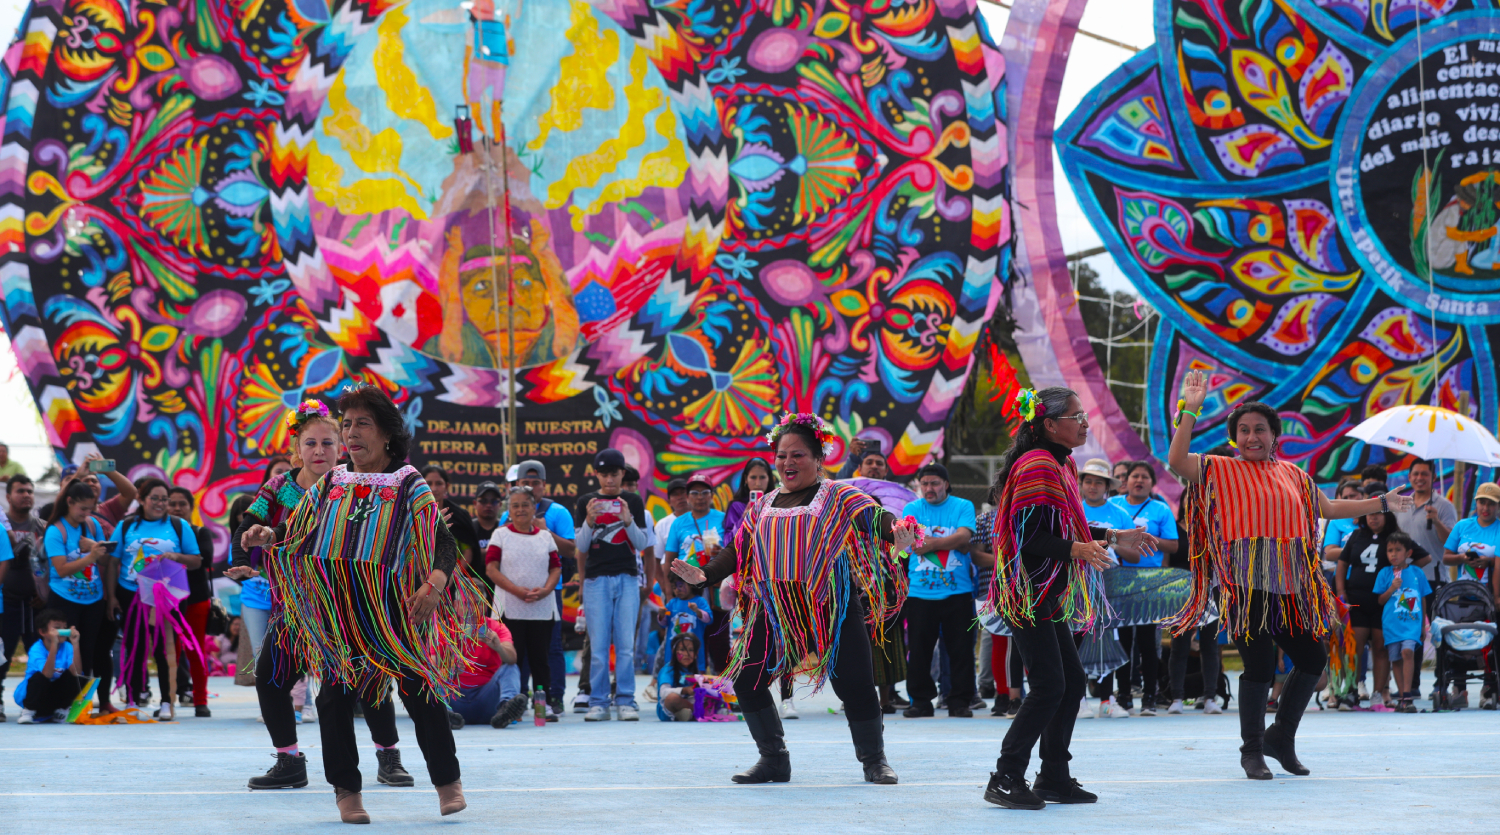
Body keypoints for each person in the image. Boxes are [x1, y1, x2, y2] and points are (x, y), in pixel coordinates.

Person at [240, 385, 484, 823]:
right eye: (347, 424)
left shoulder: (408, 481)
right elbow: (299, 534)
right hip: (337, 606)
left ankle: (448, 783)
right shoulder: (333, 480)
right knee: (333, 698)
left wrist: (432, 585)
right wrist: (268, 536)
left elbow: (443, 543)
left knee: (420, 692)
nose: (351, 433)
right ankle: (347, 794)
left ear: (387, 433)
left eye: (361, 424)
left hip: (393, 605)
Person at [1166, 371, 1413, 781]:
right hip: (1245, 586)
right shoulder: (1218, 469)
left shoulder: (1295, 475)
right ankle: (1253, 752)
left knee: (1313, 659)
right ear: (1234, 438)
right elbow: (1176, 461)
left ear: (1274, 435)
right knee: (1260, 668)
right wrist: (1190, 409)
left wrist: (1383, 501)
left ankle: (1281, 737)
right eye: (1243, 431)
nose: (1251, 437)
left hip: (1291, 585)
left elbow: (1329, 509)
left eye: (1259, 430)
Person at [672, 413, 914, 785]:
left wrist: (897, 531)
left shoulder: (838, 494)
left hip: (830, 608)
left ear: (819, 459)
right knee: (746, 678)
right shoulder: (761, 505)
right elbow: (738, 549)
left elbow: (876, 518)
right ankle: (773, 759)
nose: (788, 462)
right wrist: (705, 575)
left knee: (856, 684)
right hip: (775, 611)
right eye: (782, 455)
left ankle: (874, 761)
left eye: (798, 455)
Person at [983, 387, 1157, 809]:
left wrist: (1115, 536)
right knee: (1048, 685)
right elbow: (1030, 538)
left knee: (1071, 680)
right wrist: (1078, 550)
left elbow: (1068, 524)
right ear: (1049, 425)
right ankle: (1006, 777)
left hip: (1042, 590)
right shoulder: (1038, 464)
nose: (1084, 423)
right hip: (1025, 590)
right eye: (1076, 416)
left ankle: (1054, 777)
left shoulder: (1060, 463)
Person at [229, 402, 414, 791]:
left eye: (327, 442)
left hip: (350, 606)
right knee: (271, 676)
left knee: (370, 681)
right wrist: (245, 558)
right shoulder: (279, 486)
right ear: (297, 447)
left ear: (341, 445)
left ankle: (388, 756)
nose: (319, 451)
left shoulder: (353, 483)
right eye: (310, 443)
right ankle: (289, 760)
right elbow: (248, 523)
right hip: (295, 607)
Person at [574, 448, 649, 722]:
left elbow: (641, 544)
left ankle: (626, 700)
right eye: (604, 474)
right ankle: (598, 702)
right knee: (599, 644)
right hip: (596, 581)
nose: (609, 479)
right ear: (596, 474)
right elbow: (580, 547)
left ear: (622, 474)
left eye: (614, 473)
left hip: (628, 578)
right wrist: (589, 521)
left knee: (626, 645)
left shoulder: (633, 500)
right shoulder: (585, 502)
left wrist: (627, 520)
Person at [901, 463, 980, 718]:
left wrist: (931, 543)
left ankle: (959, 701)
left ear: (946, 484)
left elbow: (963, 537)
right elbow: (910, 542)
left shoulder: (962, 506)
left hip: (958, 591)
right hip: (920, 593)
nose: (929, 488)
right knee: (919, 650)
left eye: (934, 483)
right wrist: (945, 542)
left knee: (961, 650)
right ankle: (920, 702)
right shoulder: (912, 508)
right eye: (924, 483)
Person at [1334, 498, 1429, 710]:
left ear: (1387, 515)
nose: (1374, 517)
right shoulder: (1357, 536)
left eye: (1378, 513)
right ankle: (1350, 691)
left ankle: (1378, 693)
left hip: (1385, 604)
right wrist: (1341, 593)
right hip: (1357, 600)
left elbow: (1425, 558)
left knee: (1380, 647)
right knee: (1353, 646)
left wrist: (1407, 571)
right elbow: (1342, 563)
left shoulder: (1394, 538)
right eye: (1370, 513)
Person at [1106, 461, 1178, 716]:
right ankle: (1123, 695)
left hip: (1149, 580)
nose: (1139, 480)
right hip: (1119, 578)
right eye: (1134, 476)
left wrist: (1147, 538)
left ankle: (1149, 695)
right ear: (1125, 481)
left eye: (1145, 477)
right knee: (1123, 640)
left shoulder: (1160, 509)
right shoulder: (1114, 505)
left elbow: (1174, 546)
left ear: (1152, 482)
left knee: (1148, 642)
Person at [485, 486, 561, 721]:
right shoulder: (500, 535)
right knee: (509, 658)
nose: (520, 510)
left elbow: (556, 567)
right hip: (509, 607)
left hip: (541, 608)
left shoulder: (546, 537)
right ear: (509, 509)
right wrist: (516, 590)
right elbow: (490, 569)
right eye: (515, 505)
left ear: (534, 508)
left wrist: (547, 590)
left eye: (525, 505)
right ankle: (509, 703)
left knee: (540, 658)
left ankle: (543, 703)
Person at [42, 481, 115, 715]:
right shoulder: (56, 530)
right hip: (64, 601)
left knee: (89, 651)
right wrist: (92, 554)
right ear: (69, 502)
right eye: (82, 509)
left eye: (90, 509)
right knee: (64, 650)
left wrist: (96, 548)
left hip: (92, 600)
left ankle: (84, 702)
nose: (86, 514)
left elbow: (104, 561)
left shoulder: (92, 525)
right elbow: (61, 569)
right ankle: (61, 701)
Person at [509, 459, 576, 715]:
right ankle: (519, 698)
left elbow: (571, 549)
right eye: (525, 482)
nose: (530, 487)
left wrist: (547, 533)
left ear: (544, 485)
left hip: (550, 589)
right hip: (517, 592)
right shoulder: (510, 512)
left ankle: (554, 697)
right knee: (519, 647)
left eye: (535, 483)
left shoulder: (558, 512)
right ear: (518, 484)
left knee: (552, 646)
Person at [1076, 458, 1136, 719]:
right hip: (1077, 584)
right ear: (1080, 485)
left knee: (1107, 639)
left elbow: (1134, 555)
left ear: (1107, 487)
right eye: (1088, 481)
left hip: (1108, 585)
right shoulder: (1073, 510)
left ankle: (1106, 700)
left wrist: (1111, 544)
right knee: (1076, 638)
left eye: (1098, 482)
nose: (1092, 486)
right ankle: (1077, 700)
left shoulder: (1119, 514)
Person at [166, 486, 215, 716]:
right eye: (172, 503)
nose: (177, 508)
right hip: (167, 602)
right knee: (168, 653)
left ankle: (200, 701)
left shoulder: (200, 532)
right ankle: (169, 702)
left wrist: (175, 558)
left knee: (196, 652)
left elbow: (205, 559)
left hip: (196, 601)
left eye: (182, 504)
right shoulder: (160, 535)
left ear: (191, 507)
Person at [1, 475, 46, 717]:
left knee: (39, 655)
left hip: (35, 604)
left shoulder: (42, 526)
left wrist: (45, 594)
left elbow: (51, 564)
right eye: (21, 491)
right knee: (2, 654)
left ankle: (37, 701)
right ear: (8, 497)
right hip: (5, 602)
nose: (27, 494)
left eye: (30, 491)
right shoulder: (0, 526)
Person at [1374, 533, 1431, 714]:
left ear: (1408, 552)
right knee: (1396, 659)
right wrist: (1392, 588)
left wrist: (1423, 625)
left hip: (1412, 625)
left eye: (1398, 550)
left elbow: (1422, 599)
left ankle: (1407, 694)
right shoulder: (1384, 573)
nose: (1393, 554)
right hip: (1392, 625)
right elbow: (1380, 600)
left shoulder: (1417, 573)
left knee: (1408, 652)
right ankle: (1402, 698)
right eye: (1390, 550)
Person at [447, 616, 528, 729]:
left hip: (487, 697)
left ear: (484, 605)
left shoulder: (497, 627)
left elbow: (512, 658)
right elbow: (431, 666)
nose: (473, 607)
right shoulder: (445, 627)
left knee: (511, 667)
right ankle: (444, 713)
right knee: (431, 674)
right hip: (454, 697)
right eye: (466, 602)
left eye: (478, 602)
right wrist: (450, 670)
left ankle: (506, 707)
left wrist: (498, 647)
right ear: (456, 604)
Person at [1392, 459, 1457, 586]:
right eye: (1416, 474)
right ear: (1409, 477)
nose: (1419, 478)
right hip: (1403, 578)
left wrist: (1437, 522)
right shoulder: (1401, 505)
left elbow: (1452, 543)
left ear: (1433, 477)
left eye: (1424, 474)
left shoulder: (1445, 506)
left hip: (1433, 578)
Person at [12, 610, 81, 724]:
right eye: (57, 628)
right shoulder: (36, 649)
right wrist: (54, 644)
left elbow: (76, 672)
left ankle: (61, 710)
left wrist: (75, 644)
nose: (63, 631)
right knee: (38, 677)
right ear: (43, 632)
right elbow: (47, 674)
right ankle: (29, 711)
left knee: (73, 676)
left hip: (54, 697)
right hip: (33, 697)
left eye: (65, 627)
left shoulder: (68, 646)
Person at [423, 466, 481, 578]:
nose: (434, 488)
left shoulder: (459, 515)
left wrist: (451, 577)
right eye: (428, 483)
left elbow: (467, 551)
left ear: (447, 486)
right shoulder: (411, 513)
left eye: (439, 483)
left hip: (454, 579)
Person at [658, 574, 712, 671]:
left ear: (690, 584)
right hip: (674, 650)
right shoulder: (672, 603)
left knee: (695, 674)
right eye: (674, 588)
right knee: (672, 671)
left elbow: (708, 619)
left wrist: (697, 611)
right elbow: (664, 623)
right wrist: (662, 615)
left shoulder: (700, 601)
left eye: (680, 586)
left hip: (694, 650)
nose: (677, 590)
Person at [1320, 479, 1364, 579]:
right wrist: (1361, 549)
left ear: (1363, 495)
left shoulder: (1373, 519)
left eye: (1352, 495)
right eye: (1345, 498)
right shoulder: (1336, 522)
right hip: (1344, 579)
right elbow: (1329, 554)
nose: (1348, 500)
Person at [657, 632, 703, 721]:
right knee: (672, 698)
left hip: (688, 701)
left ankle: (685, 714)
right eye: (682, 649)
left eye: (690, 650)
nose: (686, 654)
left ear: (696, 653)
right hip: (669, 707)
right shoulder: (668, 670)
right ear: (674, 651)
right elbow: (663, 692)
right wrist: (684, 690)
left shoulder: (695, 671)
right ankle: (700, 712)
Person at [471, 481, 503, 596]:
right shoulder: (468, 529)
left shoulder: (505, 530)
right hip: (472, 592)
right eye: (483, 501)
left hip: (501, 590)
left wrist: (478, 553)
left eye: (494, 501)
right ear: (475, 503)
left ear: (500, 505)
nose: (488, 505)